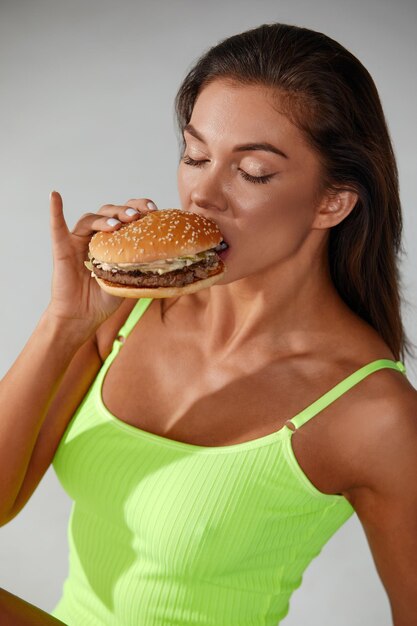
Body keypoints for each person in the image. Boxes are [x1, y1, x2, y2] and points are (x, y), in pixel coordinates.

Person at [1, 21, 416, 626]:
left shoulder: (372, 412)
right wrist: (64, 323)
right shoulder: (126, 314)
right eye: (195, 156)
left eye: (251, 172)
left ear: (332, 201)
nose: (203, 196)